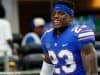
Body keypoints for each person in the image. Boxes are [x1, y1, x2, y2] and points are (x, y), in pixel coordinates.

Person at [40, 1, 98, 75]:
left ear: (71, 17)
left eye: (61, 13)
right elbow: (47, 64)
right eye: (54, 13)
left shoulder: (80, 33)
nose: (56, 16)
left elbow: (92, 72)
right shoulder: (46, 36)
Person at [0, 4, 18, 71]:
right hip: (5, 55)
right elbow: (9, 40)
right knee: (11, 72)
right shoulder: (5, 23)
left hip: (4, 56)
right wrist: (14, 49)